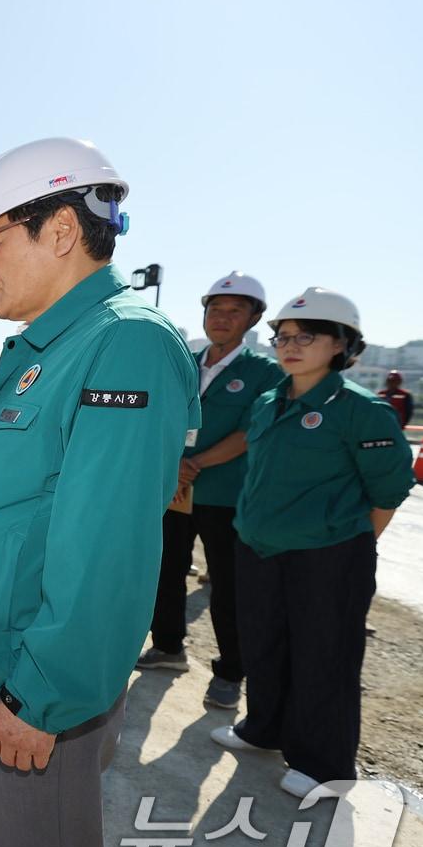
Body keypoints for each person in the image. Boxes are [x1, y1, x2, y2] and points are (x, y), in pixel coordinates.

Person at [0, 137, 199, 847]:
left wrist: (44, 695)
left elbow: (105, 547)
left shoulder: (124, 342)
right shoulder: (48, 345)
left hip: (30, 683)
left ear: (62, 230)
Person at [210, 287, 414, 798]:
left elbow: (388, 489)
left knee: (323, 654)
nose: (290, 345)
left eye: (308, 336)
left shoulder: (359, 410)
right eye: (283, 336)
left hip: (327, 555)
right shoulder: (265, 402)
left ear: (342, 345)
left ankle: (324, 765)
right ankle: (264, 729)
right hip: (259, 547)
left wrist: (346, 547)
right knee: (264, 644)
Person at [137, 272, 282, 710]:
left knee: (226, 585)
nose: (221, 318)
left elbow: (252, 431)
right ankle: (168, 647)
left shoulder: (264, 372)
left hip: (224, 494)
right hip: (175, 490)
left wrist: (195, 463)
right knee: (165, 569)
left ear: (254, 318)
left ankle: (230, 671)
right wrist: (169, 464)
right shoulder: (187, 360)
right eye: (214, 310)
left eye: (234, 311)